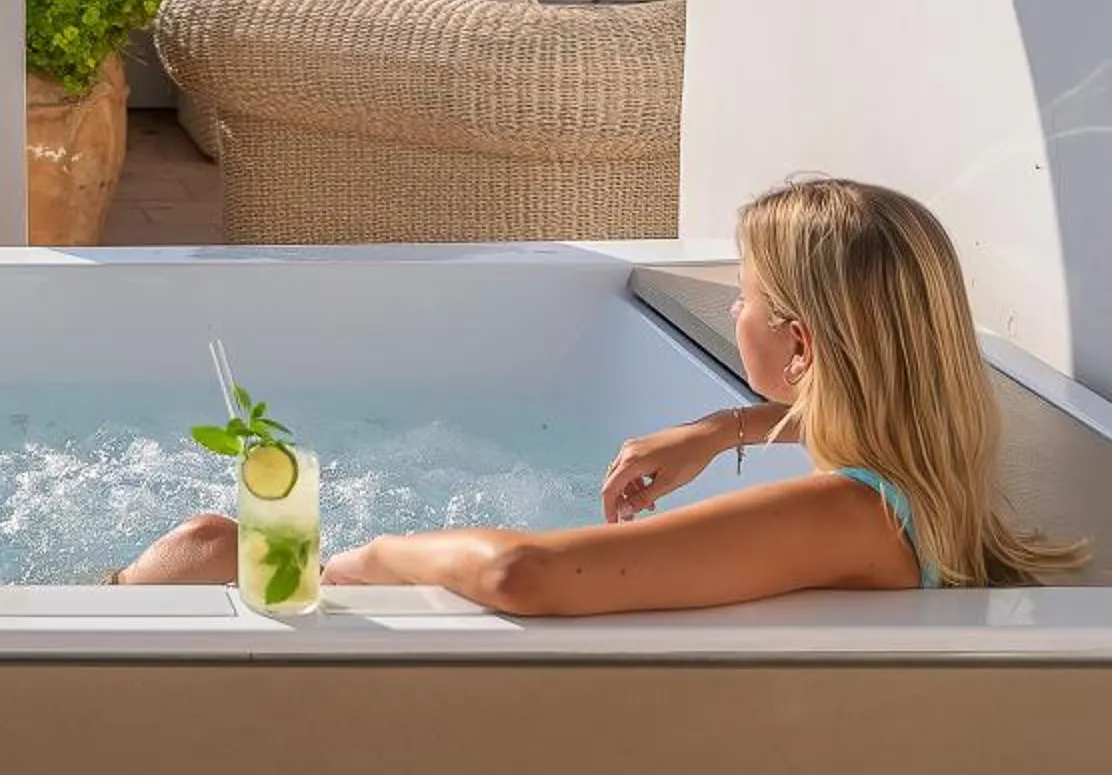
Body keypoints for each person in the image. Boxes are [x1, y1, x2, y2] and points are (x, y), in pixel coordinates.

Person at [116, 178, 1088, 611]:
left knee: (208, 544)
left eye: (744, 291)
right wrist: (728, 423)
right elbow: (869, 411)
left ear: (800, 341)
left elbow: (523, 576)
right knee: (218, 540)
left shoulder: (845, 511)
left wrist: (382, 554)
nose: (732, 303)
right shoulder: (933, 469)